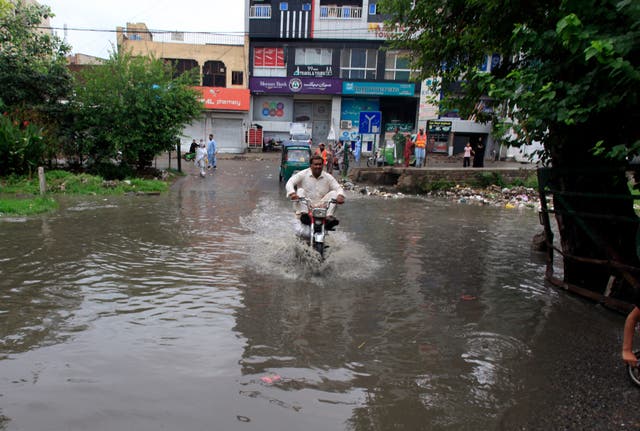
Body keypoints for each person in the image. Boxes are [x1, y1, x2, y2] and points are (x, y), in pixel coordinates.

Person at [286, 155, 345, 230]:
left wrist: (340, 196)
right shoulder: (303, 174)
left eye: (320, 164)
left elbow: (338, 188)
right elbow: (290, 182)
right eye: (316, 164)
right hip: (306, 204)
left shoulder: (327, 176)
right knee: (300, 190)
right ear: (311, 165)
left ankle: (329, 217)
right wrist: (292, 193)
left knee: (334, 193)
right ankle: (304, 215)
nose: (318, 166)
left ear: (323, 165)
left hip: (321, 207)